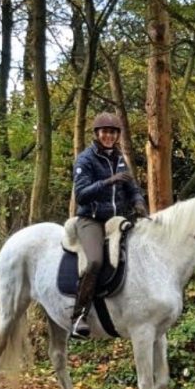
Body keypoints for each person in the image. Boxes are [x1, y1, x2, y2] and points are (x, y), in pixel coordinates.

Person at [69, 111, 147, 338]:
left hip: (116, 220)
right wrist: (108, 181)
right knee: (94, 261)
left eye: (113, 132)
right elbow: (82, 194)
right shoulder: (85, 160)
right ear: (97, 134)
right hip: (90, 219)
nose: (109, 136)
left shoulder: (120, 159)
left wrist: (139, 202)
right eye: (105, 132)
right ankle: (79, 315)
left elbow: (132, 188)